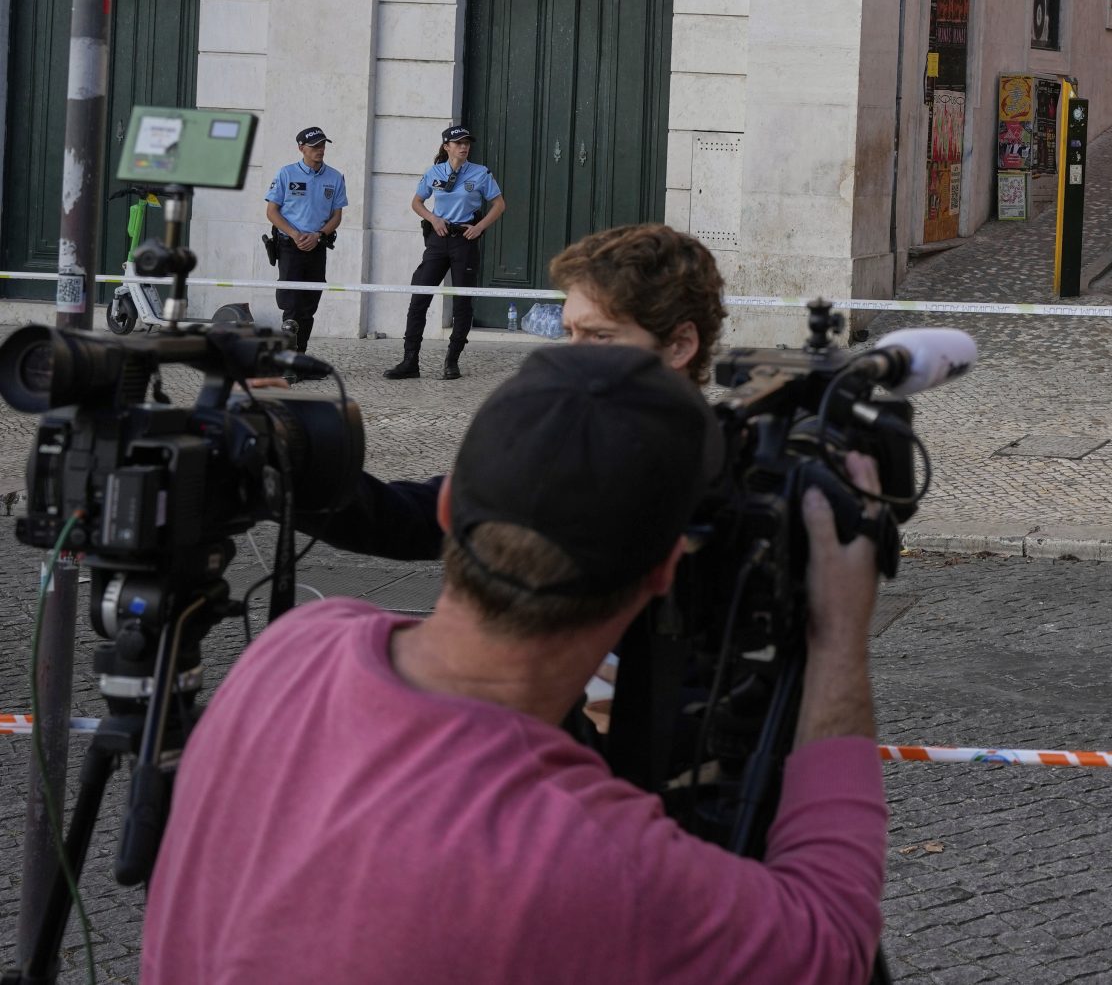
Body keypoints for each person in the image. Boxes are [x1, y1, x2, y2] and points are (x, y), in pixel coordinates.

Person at [141, 346, 887, 984]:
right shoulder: (593, 858)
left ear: (446, 513)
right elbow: (831, 938)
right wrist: (837, 636)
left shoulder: (290, 652)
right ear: (662, 569)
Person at [320, 222, 726, 561]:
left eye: (601, 336)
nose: (573, 356)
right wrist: (296, 466)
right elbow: (411, 518)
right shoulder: (557, 441)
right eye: (571, 333)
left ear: (680, 345)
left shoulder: (728, 472)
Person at [389, 125, 506, 381]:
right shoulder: (434, 172)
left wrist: (479, 227)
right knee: (419, 296)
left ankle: (452, 361)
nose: (464, 147)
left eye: (467, 143)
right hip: (438, 240)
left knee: (462, 302)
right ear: (447, 147)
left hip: (464, 240)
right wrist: (433, 219)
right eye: (458, 143)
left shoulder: (480, 173)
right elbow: (416, 202)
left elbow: (499, 204)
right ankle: (410, 361)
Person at [261, 126, 346, 355]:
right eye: (314, 146)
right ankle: (287, 359)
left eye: (322, 145)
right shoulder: (286, 174)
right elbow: (272, 212)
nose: (320, 150)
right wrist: (295, 234)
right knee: (291, 305)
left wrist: (318, 235)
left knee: (309, 305)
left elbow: (336, 215)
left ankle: (300, 356)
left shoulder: (335, 177)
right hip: (290, 246)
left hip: (317, 246)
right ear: (301, 148)